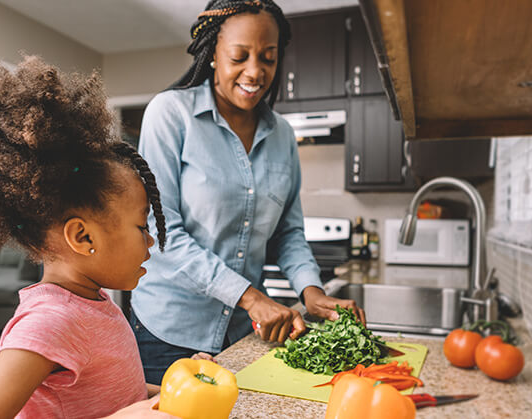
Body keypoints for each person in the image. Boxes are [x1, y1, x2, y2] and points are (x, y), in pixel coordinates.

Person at [0, 55, 206, 418]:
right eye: (142, 227)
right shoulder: (52, 321)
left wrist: (176, 391)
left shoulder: (92, 303)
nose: (150, 242)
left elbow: (113, 392)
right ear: (82, 237)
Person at [132, 0, 366, 385]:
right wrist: (251, 297)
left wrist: (311, 290)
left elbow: (288, 233)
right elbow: (162, 230)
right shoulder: (170, 114)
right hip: (169, 330)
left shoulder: (283, 136)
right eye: (239, 56)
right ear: (211, 54)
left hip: (242, 331)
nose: (255, 72)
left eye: (269, 58)